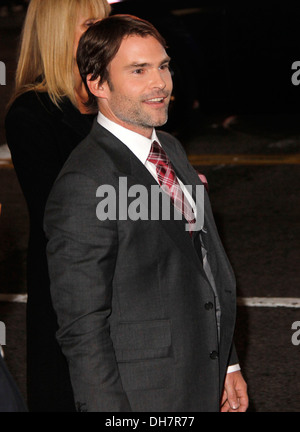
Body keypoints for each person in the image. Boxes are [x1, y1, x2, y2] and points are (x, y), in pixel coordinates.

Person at [44, 14, 248, 412]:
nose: (160, 84)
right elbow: (82, 325)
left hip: (200, 374)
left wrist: (226, 363)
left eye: (163, 66)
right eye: (138, 71)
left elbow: (202, 265)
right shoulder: (85, 181)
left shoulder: (169, 147)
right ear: (97, 83)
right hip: (143, 397)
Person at [5, 0, 111, 412]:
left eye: (106, 21)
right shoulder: (32, 113)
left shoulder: (113, 95)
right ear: (57, 32)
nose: (103, 32)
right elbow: (64, 213)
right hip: (72, 286)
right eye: (90, 23)